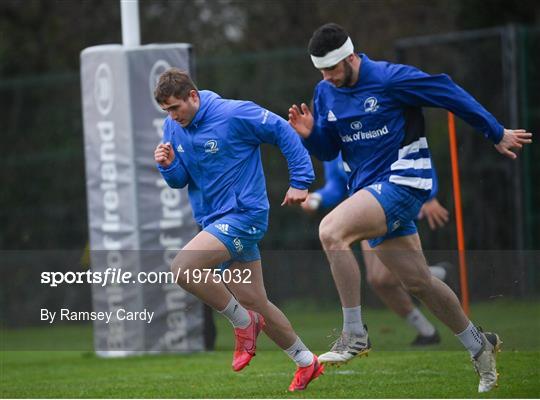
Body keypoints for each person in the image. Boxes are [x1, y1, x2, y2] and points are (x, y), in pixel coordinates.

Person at [288, 23, 532, 393]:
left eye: (335, 69)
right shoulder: (325, 92)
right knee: (418, 281)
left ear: (352, 57)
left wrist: (495, 132)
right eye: (322, 71)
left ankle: (354, 333)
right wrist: (311, 135)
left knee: (330, 231)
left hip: (405, 180)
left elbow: (449, 91)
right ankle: (479, 345)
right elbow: (330, 151)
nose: (329, 78)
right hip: (370, 190)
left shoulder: (390, 79)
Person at [154, 68, 323, 391]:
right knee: (255, 300)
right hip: (215, 222)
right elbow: (180, 181)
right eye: (166, 111)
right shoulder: (172, 127)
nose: (172, 117)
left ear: (193, 96)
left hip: (245, 215)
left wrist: (300, 181)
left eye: (176, 108)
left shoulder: (233, 113)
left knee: (183, 268)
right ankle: (306, 361)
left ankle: (242, 323)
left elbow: (282, 131)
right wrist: (168, 165)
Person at [302, 152, 452, 346]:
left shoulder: (366, 126)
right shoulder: (329, 144)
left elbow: (416, 150)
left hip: (391, 202)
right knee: (380, 280)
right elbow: (336, 186)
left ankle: (356, 331)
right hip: (365, 211)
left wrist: (430, 196)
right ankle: (428, 329)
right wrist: (317, 198)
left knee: (388, 277)